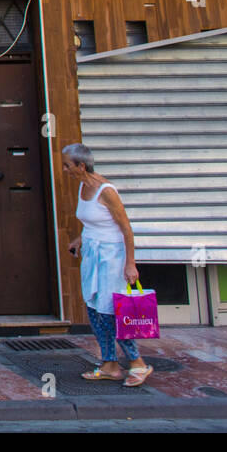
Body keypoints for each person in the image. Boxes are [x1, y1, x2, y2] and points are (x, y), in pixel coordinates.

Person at [63, 143, 153, 387]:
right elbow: (94, 222)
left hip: (112, 257)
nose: (65, 170)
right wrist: (80, 239)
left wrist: (130, 264)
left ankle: (138, 363)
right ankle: (110, 365)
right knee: (94, 309)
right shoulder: (83, 187)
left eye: (67, 165)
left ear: (81, 166)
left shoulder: (107, 190)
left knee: (111, 312)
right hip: (93, 254)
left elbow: (126, 228)